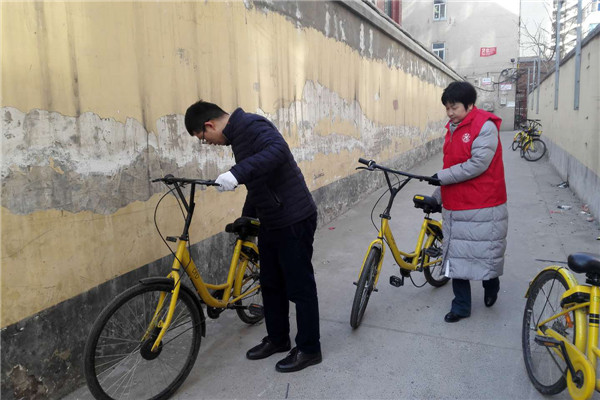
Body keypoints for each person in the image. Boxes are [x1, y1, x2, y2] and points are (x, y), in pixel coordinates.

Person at [184, 100, 322, 372]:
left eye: (204, 138)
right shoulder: (239, 136)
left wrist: (236, 173)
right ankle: (278, 339)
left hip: (294, 218)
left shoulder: (250, 124)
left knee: (299, 287)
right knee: (270, 284)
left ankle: (309, 348)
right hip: (272, 219)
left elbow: (278, 150)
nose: (208, 143)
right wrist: (247, 218)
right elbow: (259, 183)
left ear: (209, 125)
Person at [429, 81, 508, 323]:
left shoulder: (485, 126)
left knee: (485, 252)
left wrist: (441, 177)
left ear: (470, 105)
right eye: (447, 108)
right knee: (456, 256)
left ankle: (491, 284)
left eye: (454, 107)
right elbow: (451, 166)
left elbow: (477, 164)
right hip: (456, 205)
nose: (450, 113)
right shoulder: (453, 128)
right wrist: (438, 195)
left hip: (483, 203)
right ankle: (461, 306)